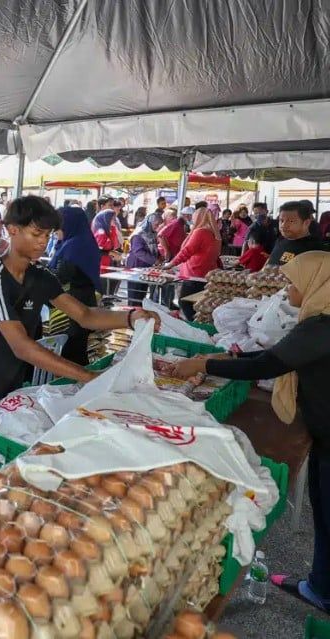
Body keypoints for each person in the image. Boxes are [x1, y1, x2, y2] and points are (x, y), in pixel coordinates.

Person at [0, 196, 161, 460]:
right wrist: (88, 377)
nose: (42, 241)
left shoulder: (40, 277)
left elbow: (85, 315)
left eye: (47, 234)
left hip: (4, 383)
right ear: (12, 229)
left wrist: (131, 318)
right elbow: (21, 346)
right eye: (36, 233)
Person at [167, 252, 330, 614]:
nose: (287, 289)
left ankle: (323, 590)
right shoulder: (318, 320)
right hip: (323, 428)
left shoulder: (321, 326)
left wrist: (204, 363)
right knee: (322, 505)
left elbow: (267, 363)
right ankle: (320, 584)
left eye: (294, 282)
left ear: (315, 285)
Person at [49, 206, 102, 365]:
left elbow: (61, 275)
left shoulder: (73, 246)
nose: (56, 232)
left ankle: (73, 383)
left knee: (69, 351)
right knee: (78, 347)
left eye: (58, 228)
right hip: (85, 299)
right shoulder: (85, 240)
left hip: (72, 304)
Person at [165, 202, 222, 320]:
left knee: (185, 303)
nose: (192, 220)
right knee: (199, 305)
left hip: (194, 274)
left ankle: (194, 326)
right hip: (206, 274)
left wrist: (171, 264)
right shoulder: (215, 234)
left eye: (194, 217)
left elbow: (187, 251)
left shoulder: (200, 232)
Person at [268, 200, 327, 266]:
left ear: (306, 223)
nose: (283, 225)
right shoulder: (280, 241)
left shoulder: (316, 249)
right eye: (281, 220)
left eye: (291, 221)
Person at [125, 212, 164, 305]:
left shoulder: (152, 233)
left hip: (146, 267)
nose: (158, 226)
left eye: (159, 224)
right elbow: (138, 251)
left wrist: (158, 256)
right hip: (136, 266)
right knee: (134, 295)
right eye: (156, 224)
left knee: (142, 294)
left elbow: (153, 247)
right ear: (149, 223)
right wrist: (154, 260)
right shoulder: (139, 234)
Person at [91, 199, 122, 268]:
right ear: (106, 219)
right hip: (100, 263)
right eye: (112, 218)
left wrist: (113, 228)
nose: (114, 220)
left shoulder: (108, 230)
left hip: (106, 262)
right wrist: (112, 253)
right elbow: (98, 250)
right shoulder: (100, 233)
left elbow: (113, 244)